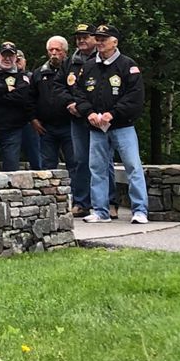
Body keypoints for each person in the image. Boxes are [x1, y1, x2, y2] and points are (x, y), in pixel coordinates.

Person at [75, 24, 149, 224]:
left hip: (122, 126)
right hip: (96, 128)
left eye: (103, 39)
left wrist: (113, 114)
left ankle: (140, 210)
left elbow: (135, 96)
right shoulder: (89, 66)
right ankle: (100, 211)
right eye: (97, 38)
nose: (99, 42)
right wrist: (88, 112)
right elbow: (79, 93)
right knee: (97, 169)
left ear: (114, 42)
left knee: (133, 166)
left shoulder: (127, 65)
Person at [63, 23, 104, 217]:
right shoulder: (70, 61)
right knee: (80, 160)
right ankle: (81, 202)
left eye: (85, 36)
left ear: (95, 39)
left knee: (103, 161)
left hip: (99, 118)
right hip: (78, 119)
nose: (81, 40)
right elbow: (59, 85)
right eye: (78, 37)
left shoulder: (102, 60)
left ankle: (107, 202)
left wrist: (89, 109)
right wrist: (70, 102)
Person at [0, 42, 35, 171]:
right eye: (4, 55)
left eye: (11, 56)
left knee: (12, 169)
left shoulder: (22, 76)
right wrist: (6, 88)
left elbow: (22, 97)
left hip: (13, 130)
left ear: (15, 57)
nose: (7, 59)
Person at [31, 36, 75, 172]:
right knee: (47, 166)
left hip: (70, 124)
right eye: (51, 50)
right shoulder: (38, 73)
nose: (54, 53)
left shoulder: (73, 71)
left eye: (58, 49)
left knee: (74, 163)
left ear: (65, 52)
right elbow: (30, 98)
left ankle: (77, 193)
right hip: (46, 127)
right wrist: (33, 119)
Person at [16, 49, 42, 169]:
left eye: (19, 59)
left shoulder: (32, 77)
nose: (17, 62)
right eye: (14, 59)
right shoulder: (3, 76)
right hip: (12, 121)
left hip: (30, 121)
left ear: (25, 61)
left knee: (35, 153)